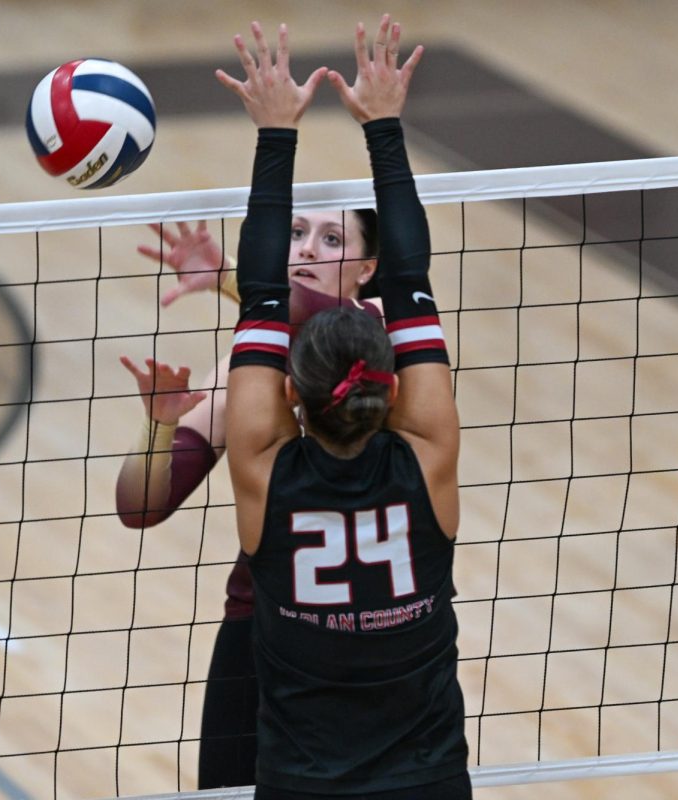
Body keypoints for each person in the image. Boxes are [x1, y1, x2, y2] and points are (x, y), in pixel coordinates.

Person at [219, 16, 470, 799]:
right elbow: (410, 276)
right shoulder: (427, 455)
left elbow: (260, 290)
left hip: (303, 785)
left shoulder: (266, 472)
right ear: (391, 387)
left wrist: (275, 135)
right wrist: (386, 127)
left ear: (289, 394)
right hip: (427, 782)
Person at [116, 108, 382, 795]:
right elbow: (139, 508)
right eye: (294, 234)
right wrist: (159, 427)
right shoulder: (244, 370)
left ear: (369, 268)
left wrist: (237, 277)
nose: (307, 249)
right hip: (260, 629)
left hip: (373, 632)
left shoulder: (380, 338)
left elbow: (320, 319)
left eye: (332, 238)